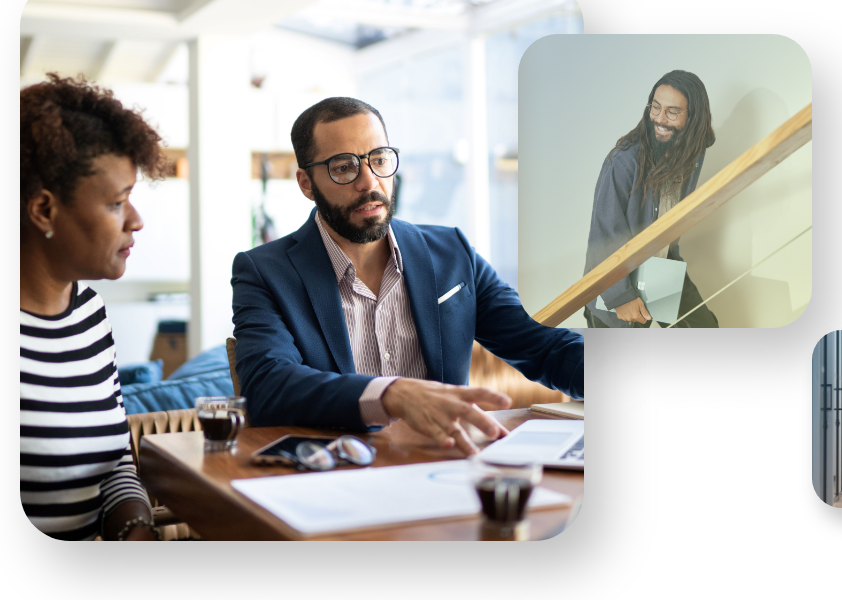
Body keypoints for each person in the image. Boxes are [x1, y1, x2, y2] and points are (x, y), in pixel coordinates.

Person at [231, 98, 584, 455]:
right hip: (335, 475)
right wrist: (390, 395)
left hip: (447, 463)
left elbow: (547, 346)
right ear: (307, 184)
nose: (369, 182)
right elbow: (267, 385)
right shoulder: (264, 271)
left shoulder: (452, 252)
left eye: (379, 159)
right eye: (343, 167)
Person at [20, 73, 169, 540]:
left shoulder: (88, 312)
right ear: (44, 210)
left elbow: (114, 462)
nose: (136, 220)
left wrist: (136, 527)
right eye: (117, 202)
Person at [582, 70, 719, 328]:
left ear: (694, 118)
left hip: (661, 271)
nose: (659, 118)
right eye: (655, 107)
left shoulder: (693, 153)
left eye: (672, 111)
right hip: (615, 283)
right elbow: (603, 235)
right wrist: (620, 296)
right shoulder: (622, 161)